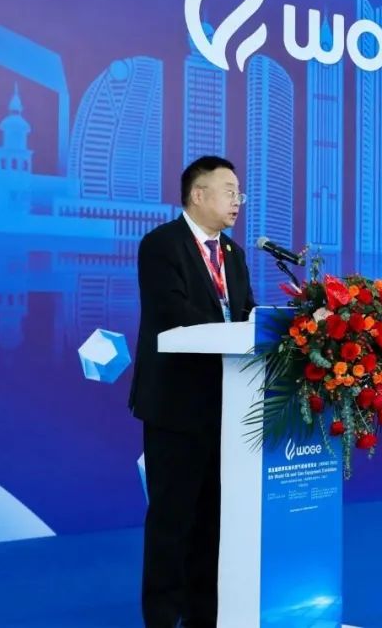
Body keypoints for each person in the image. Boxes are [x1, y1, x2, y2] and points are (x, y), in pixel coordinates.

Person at [129, 156, 256, 628]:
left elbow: (246, 313)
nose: (237, 201)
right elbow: (173, 314)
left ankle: (205, 614)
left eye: (239, 193)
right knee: (172, 518)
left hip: (226, 406)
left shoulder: (233, 254)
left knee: (212, 520)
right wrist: (235, 329)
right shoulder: (161, 245)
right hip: (176, 406)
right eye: (229, 191)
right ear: (198, 194)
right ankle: (163, 615)